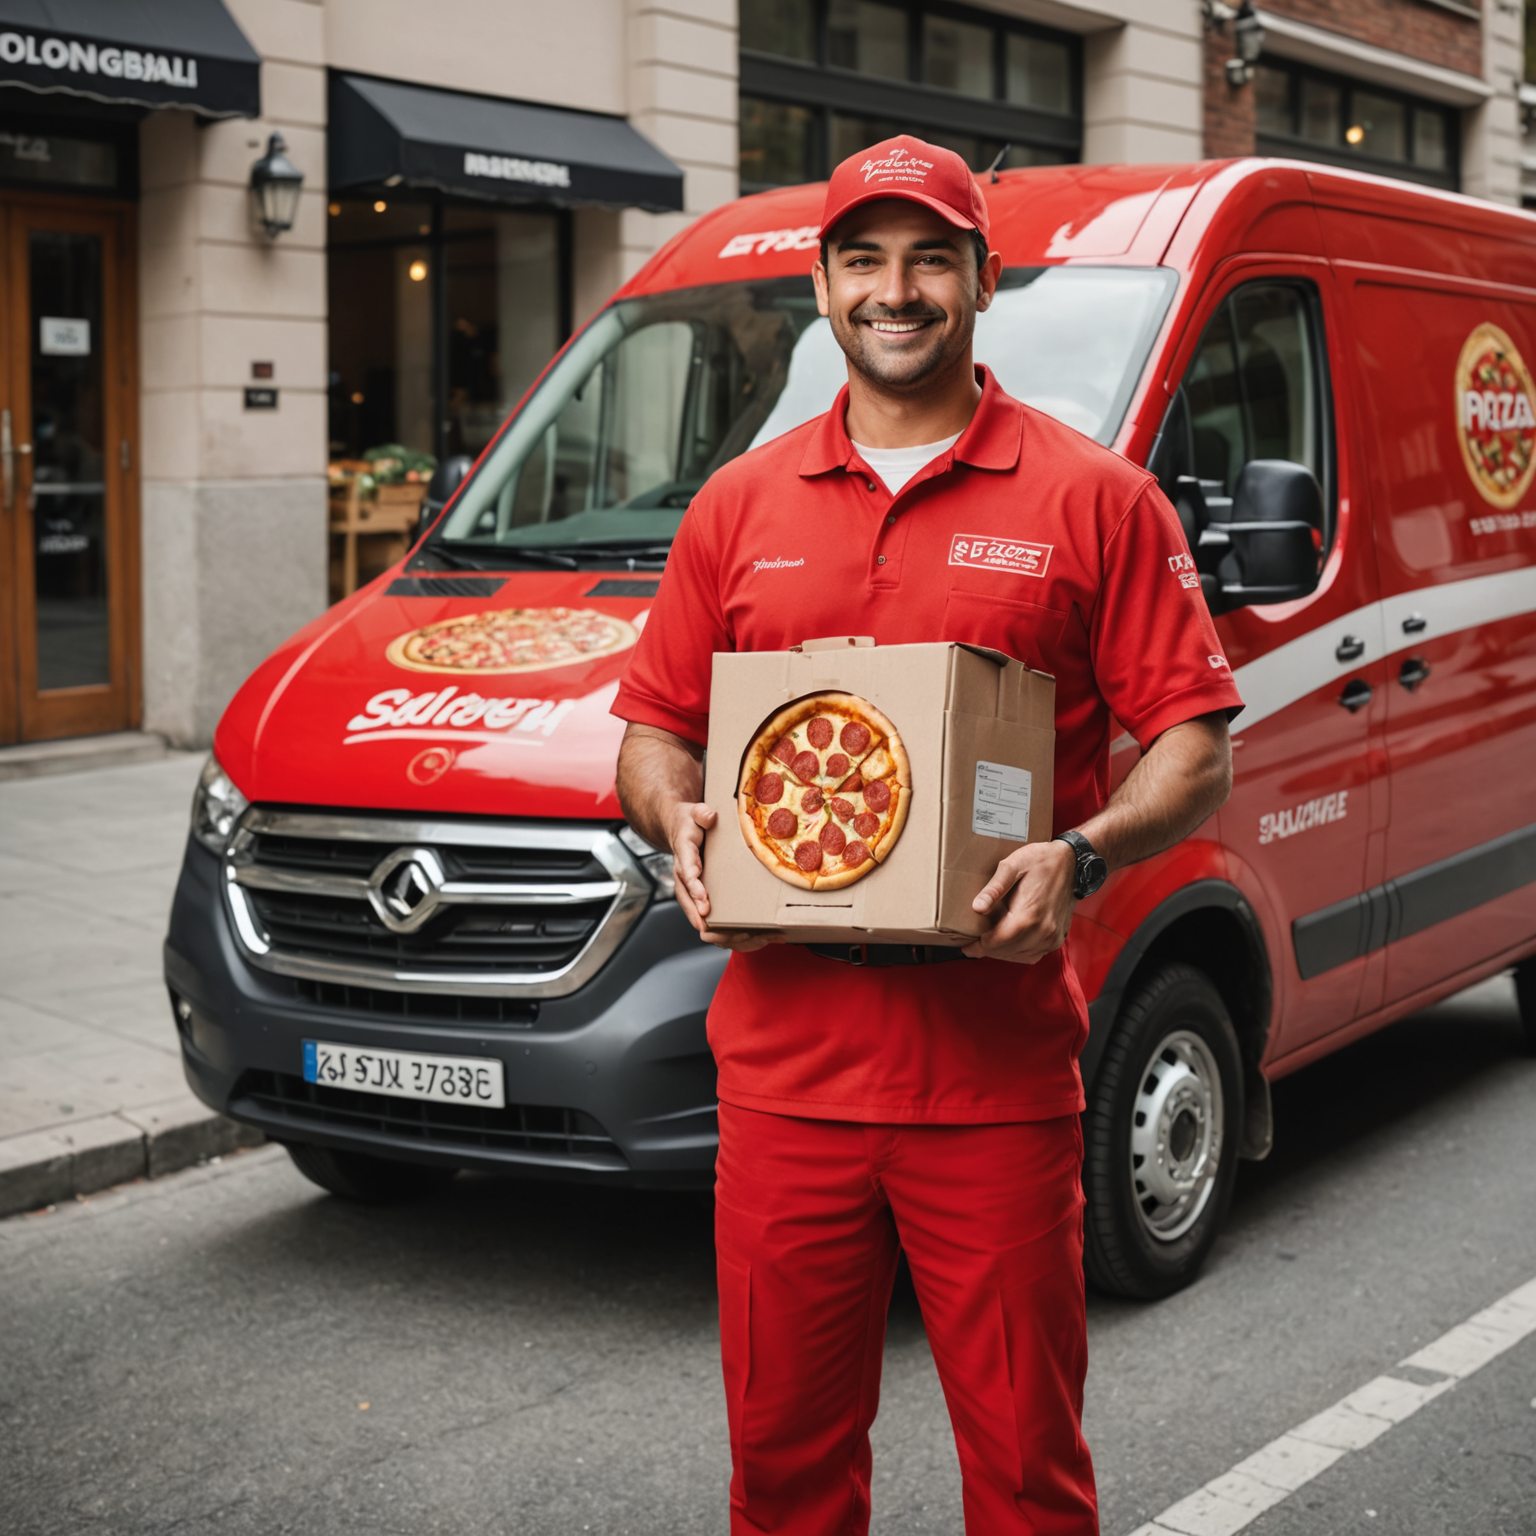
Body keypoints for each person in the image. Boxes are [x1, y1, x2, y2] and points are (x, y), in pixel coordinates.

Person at [611, 135, 1242, 1535]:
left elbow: (1196, 746)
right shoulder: (737, 507)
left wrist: (1081, 852)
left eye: (930, 259)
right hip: (784, 1083)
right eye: (864, 261)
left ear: (983, 276)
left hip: (996, 1085)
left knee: (1026, 1477)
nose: (896, 291)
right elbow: (652, 730)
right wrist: (681, 819)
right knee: (784, 1477)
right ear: (823, 289)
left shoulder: (1093, 498)